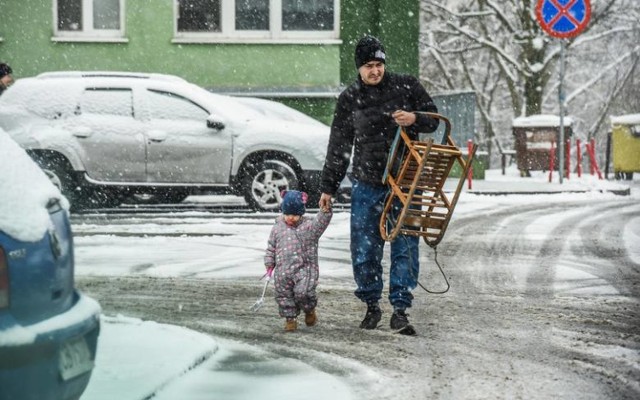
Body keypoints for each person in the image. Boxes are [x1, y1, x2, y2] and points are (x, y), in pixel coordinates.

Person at [318, 35, 439, 335]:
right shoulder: (349, 99)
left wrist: (414, 118)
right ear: (359, 68)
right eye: (369, 66)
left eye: (379, 64)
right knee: (365, 247)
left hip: (407, 179)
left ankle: (400, 309)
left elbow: (434, 119)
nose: (375, 71)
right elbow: (339, 146)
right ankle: (371, 305)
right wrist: (327, 187)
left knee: (406, 243)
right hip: (367, 181)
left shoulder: (407, 86)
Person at [264, 190, 333, 332]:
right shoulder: (277, 228)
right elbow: (271, 246)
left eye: (295, 215)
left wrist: (325, 211)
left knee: (304, 293)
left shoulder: (309, 228)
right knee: (283, 295)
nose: (291, 218)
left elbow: (320, 223)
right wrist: (269, 263)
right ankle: (290, 319)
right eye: (287, 214)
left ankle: (309, 310)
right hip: (283, 271)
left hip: (304, 269)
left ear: (301, 213)